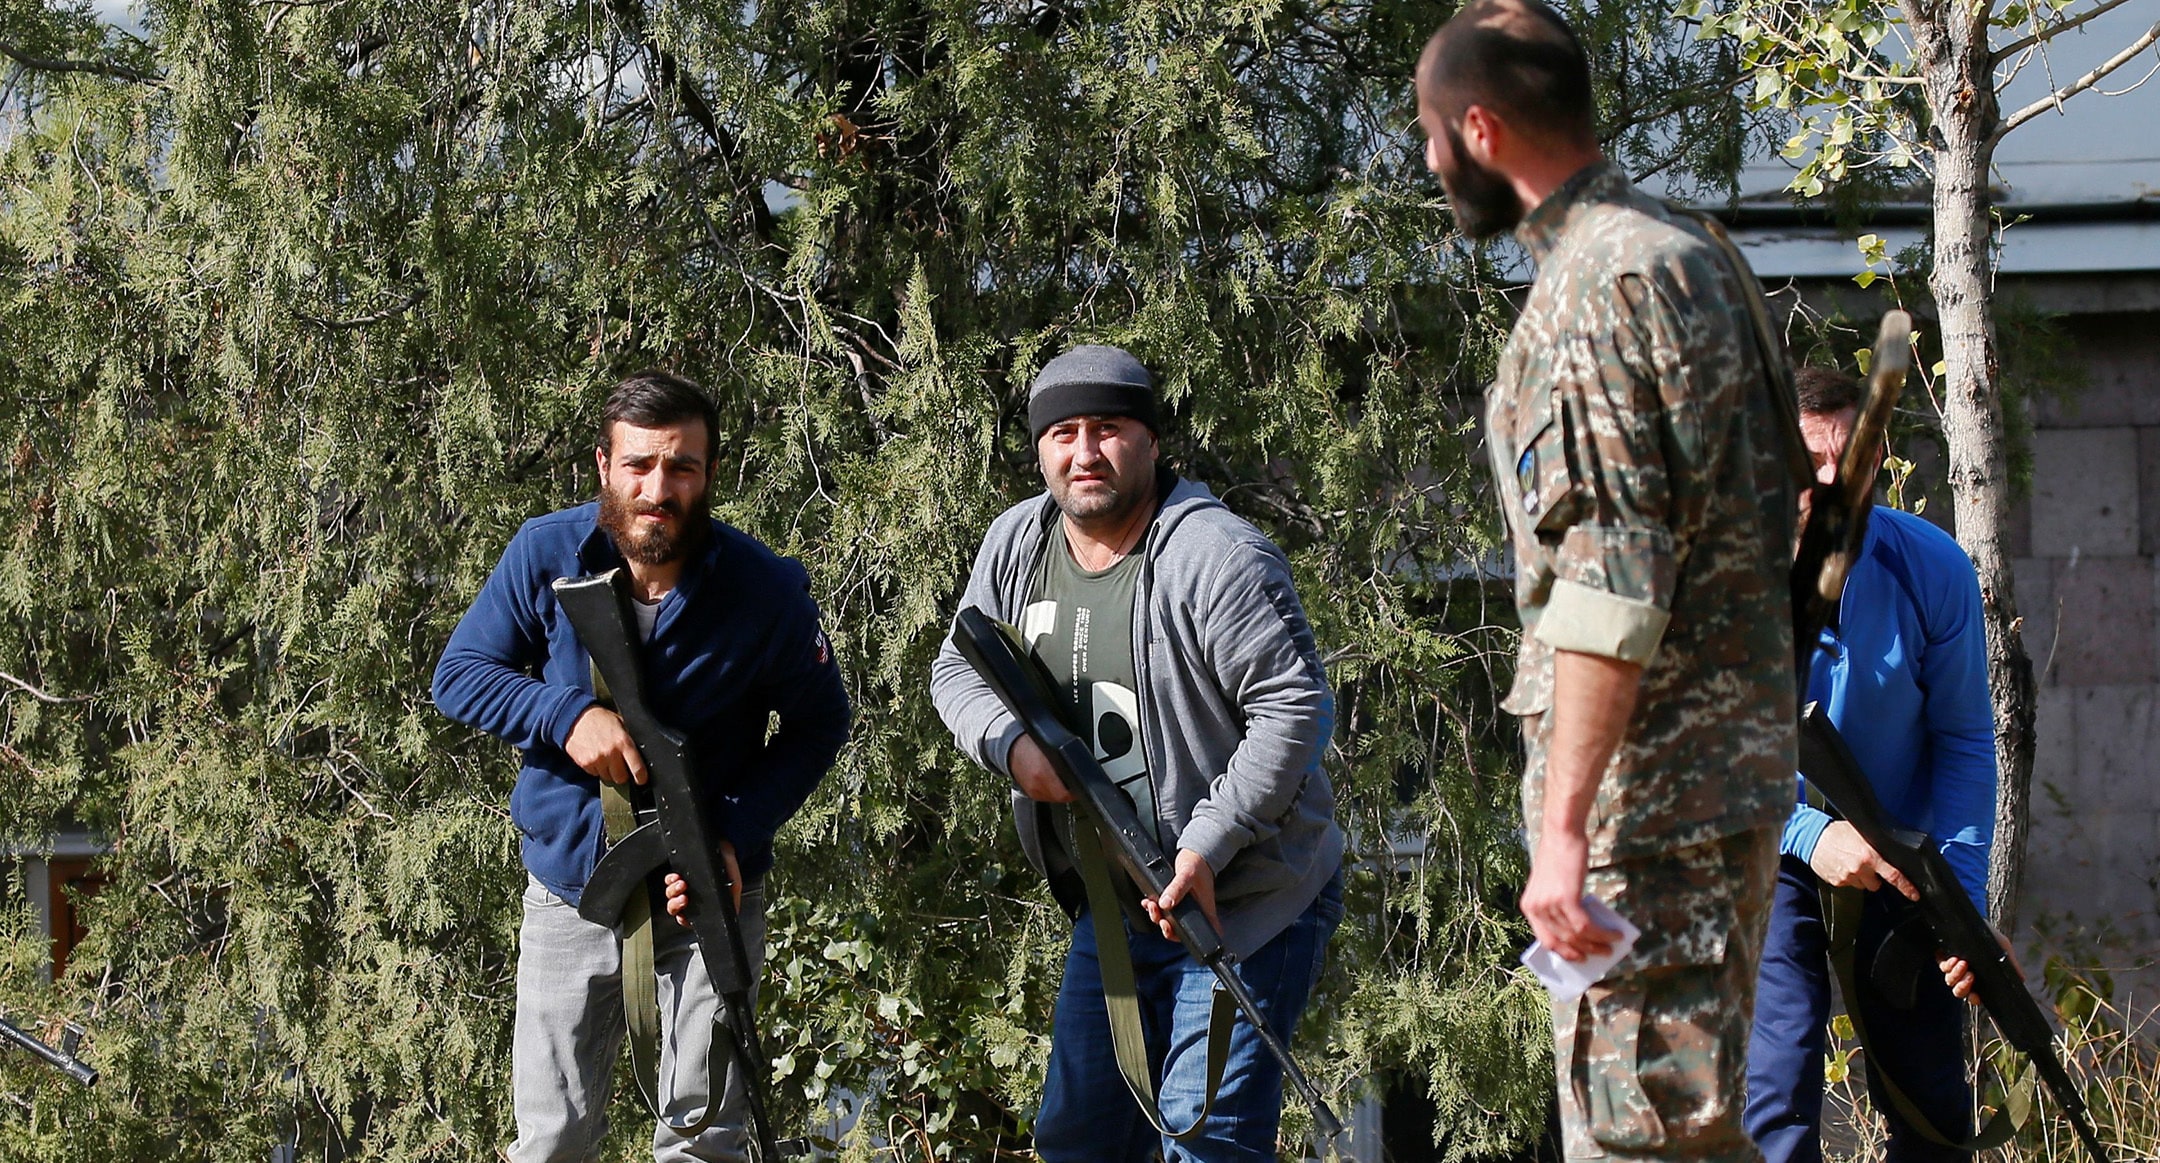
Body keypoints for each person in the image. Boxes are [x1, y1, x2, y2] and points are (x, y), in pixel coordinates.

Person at [1415, 3, 1802, 1158]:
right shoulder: (1691, 251)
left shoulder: (1599, 286)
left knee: (1643, 1142)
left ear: (1480, 130)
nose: (1430, 164)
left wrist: (1566, 832)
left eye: (1432, 136)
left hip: (1650, 813)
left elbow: (1609, 585)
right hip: (1710, 795)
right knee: (1682, 1135)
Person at [929, 344, 1345, 1162]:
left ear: (1151, 440)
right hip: (1118, 902)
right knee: (1078, 1139)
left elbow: (1296, 709)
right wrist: (1010, 748)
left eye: (1109, 428)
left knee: (1207, 1138)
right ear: (1040, 449)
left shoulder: (1216, 555)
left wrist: (1208, 844)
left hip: (1245, 899)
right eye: (1064, 433)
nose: (1085, 452)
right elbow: (956, 665)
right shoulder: (1018, 543)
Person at [432, 370, 850, 1163]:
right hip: (573, 885)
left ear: (710, 472)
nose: (659, 489)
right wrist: (564, 716)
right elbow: (460, 674)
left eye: (682, 467)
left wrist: (733, 834)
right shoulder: (547, 552)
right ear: (604, 464)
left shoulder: (765, 589)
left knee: (703, 1141)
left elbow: (821, 721)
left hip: (710, 891)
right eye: (639, 464)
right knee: (552, 1141)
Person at [1744, 366, 1998, 1163]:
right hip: (1761, 840)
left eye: (1847, 458)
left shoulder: (1933, 568)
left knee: (1933, 1103)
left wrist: (1962, 901)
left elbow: (1964, 739)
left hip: (1900, 851)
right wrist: (1810, 834)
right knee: (1778, 1082)